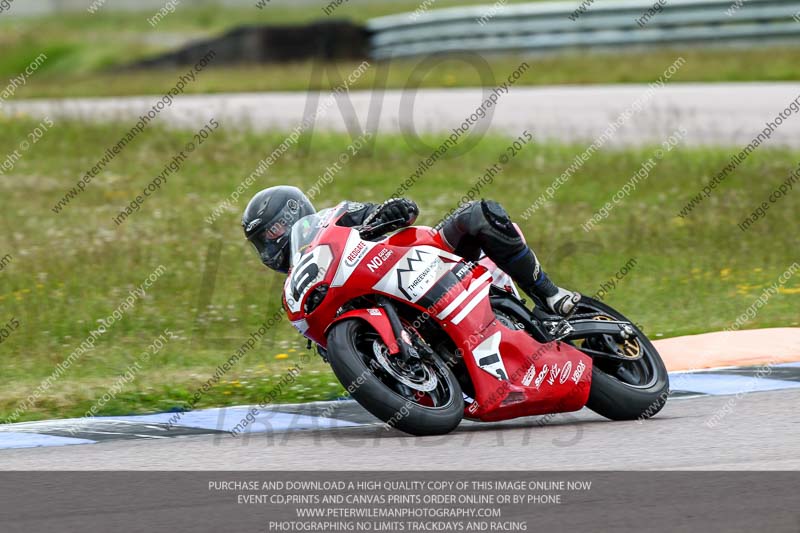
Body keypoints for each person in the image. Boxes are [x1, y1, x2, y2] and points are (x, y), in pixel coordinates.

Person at [241, 185, 579, 315]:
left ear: (293, 214)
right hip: (389, 301)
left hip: (420, 262)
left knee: (478, 215)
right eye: (262, 241)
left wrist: (390, 212)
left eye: (272, 232)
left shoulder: (337, 215)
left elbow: (402, 210)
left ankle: (548, 294)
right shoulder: (296, 291)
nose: (270, 245)